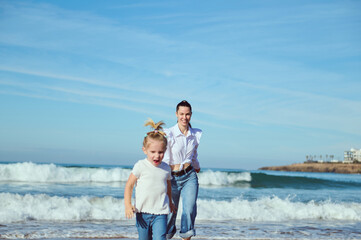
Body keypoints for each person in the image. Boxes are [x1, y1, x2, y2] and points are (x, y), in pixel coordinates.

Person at [124, 118, 176, 240]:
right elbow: (129, 185)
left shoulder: (166, 168)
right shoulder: (140, 166)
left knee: (160, 238)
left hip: (161, 213)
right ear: (145, 150)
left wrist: (170, 202)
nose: (157, 156)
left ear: (165, 151)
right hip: (142, 213)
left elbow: (167, 185)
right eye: (153, 152)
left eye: (160, 152)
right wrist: (127, 205)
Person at [164, 100, 202, 240]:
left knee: (189, 210)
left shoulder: (195, 134)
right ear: (176, 114)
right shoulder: (169, 134)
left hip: (190, 176)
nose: (184, 117)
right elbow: (166, 160)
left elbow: (194, 155)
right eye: (181, 114)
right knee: (170, 212)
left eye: (187, 114)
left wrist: (196, 166)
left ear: (191, 115)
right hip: (172, 178)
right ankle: (166, 236)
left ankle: (186, 237)